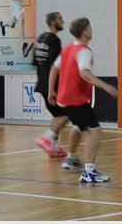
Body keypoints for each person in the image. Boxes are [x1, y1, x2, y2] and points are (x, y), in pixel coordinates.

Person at [48, 17, 118, 183]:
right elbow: (84, 72)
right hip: (75, 99)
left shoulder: (67, 48)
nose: (92, 31)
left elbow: (54, 69)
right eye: (90, 28)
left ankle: (71, 158)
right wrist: (104, 86)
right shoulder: (84, 51)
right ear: (85, 32)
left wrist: (51, 91)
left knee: (78, 126)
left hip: (64, 99)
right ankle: (89, 172)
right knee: (95, 131)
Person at [33, 12, 82, 163]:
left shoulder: (40, 38)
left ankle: (54, 147)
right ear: (53, 21)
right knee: (68, 113)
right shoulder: (54, 40)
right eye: (60, 19)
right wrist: (55, 88)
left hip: (41, 83)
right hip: (53, 85)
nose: (63, 21)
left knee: (57, 115)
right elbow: (56, 66)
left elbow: (35, 62)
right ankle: (47, 137)